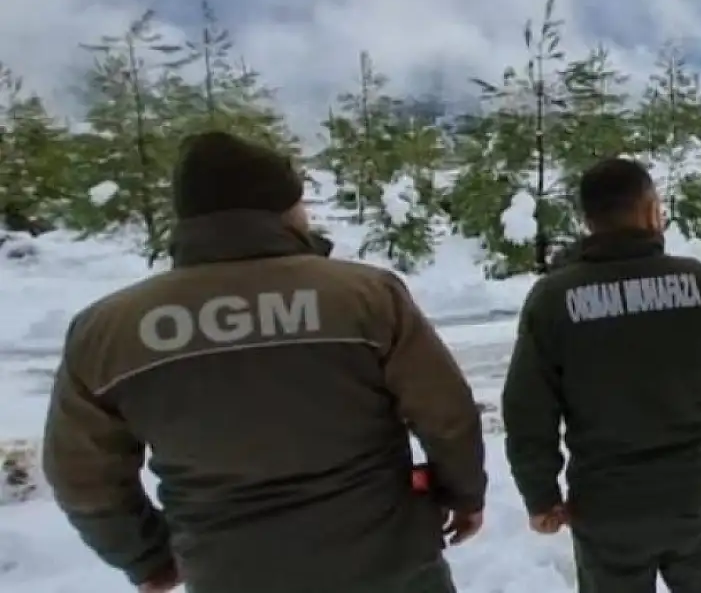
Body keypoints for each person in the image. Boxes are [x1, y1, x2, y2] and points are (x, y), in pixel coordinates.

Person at [41, 131, 487, 593]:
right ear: (283, 209)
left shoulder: (106, 331)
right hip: (389, 563)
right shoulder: (366, 297)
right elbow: (447, 415)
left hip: (229, 573)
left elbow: (82, 475)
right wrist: (463, 493)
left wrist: (145, 555)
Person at [501, 157, 701, 593]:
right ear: (649, 210)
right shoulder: (698, 283)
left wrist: (541, 494)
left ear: (588, 220)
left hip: (606, 504)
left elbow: (528, 410)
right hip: (694, 493)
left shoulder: (553, 299)